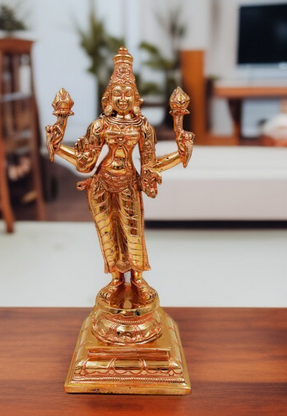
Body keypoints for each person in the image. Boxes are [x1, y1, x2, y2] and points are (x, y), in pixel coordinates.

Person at [46, 47, 194, 303]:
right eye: (117, 93)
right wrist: (58, 148)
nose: (122, 98)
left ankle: (137, 277)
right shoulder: (100, 125)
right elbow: (85, 162)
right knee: (107, 231)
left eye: (127, 93)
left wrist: (180, 154)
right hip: (101, 184)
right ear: (108, 97)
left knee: (133, 231)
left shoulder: (143, 126)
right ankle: (116, 277)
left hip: (128, 183)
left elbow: (150, 166)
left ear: (135, 97)